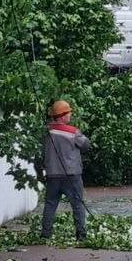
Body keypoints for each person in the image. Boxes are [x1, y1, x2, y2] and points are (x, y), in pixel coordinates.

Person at [38, 100, 90, 241]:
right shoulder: (72, 132)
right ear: (62, 115)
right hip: (71, 175)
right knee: (78, 204)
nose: (70, 115)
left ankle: (45, 234)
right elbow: (86, 145)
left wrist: (39, 173)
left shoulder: (46, 132)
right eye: (69, 112)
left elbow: (39, 155)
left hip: (52, 175)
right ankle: (81, 235)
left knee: (50, 204)